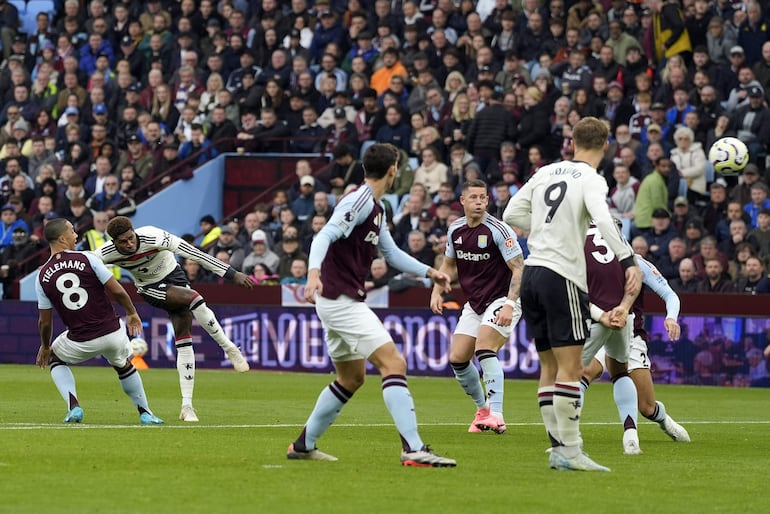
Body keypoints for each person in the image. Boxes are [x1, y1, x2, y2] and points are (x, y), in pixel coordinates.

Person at [287, 143, 456, 467]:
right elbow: (322, 237)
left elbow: (390, 253)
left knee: (351, 378)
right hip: (340, 300)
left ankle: (303, 445)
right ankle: (413, 449)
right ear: (393, 170)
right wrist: (312, 276)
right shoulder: (360, 201)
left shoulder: (376, 208)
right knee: (394, 363)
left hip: (336, 299)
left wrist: (430, 271)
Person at [503, 116, 641, 472]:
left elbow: (510, 212)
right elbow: (604, 219)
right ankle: (570, 451)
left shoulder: (547, 171)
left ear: (572, 142)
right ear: (605, 145)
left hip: (532, 274)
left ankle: (558, 448)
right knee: (571, 368)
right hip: (561, 276)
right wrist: (627, 260)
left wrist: (548, 227)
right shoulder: (593, 179)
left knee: (548, 368)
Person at [97, 216, 255, 422]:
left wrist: (231, 274)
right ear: (114, 243)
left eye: (130, 238)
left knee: (184, 339)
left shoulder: (154, 236)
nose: (129, 244)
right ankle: (229, 348)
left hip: (176, 278)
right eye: (123, 242)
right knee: (195, 298)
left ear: (134, 231)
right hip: (150, 288)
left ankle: (187, 406)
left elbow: (195, 254)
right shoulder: (104, 253)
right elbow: (83, 266)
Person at [34, 218, 163, 425]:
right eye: (73, 232)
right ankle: (145, 412)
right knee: (123, 365)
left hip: (80, 340)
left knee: (56, 358)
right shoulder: (87, 259)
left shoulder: (41, 275)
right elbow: (118, 291)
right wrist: (131, 312)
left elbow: (45, 322)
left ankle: (74, 407)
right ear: (62, 238)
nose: (76, 235)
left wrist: (46, 346)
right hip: (113, 333)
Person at [430, 179, 524, 434]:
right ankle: (483, 410)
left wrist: (509, 304)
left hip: (502, 299)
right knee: (458, 359)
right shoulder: (455, 230)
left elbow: (518, 268)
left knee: (484, 348)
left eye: (483, 197)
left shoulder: (499, 230)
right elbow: (449, 264)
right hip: (475, 303)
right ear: (462, 201)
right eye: (474, 197)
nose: (480, 202)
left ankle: (497, 415)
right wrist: (437, 290)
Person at [582, 254, 691, 444]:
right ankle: (565, 431)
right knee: (584, 372)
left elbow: (669, 294)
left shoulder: (636, 262)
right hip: (600, 328)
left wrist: (671, 317)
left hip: (631, 335)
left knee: (647, 408)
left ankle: (664, 421)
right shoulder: (587, 255)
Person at [579, 221, 644, 455]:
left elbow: (573, 288)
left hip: (594, 317)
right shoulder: (621, 240)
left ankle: (566, 441)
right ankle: (631, 435)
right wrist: (624, 308)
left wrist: (601, 315)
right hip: (622, 317)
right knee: (619, 371)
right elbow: (635, 277)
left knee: (569, 374)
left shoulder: (574, 238)